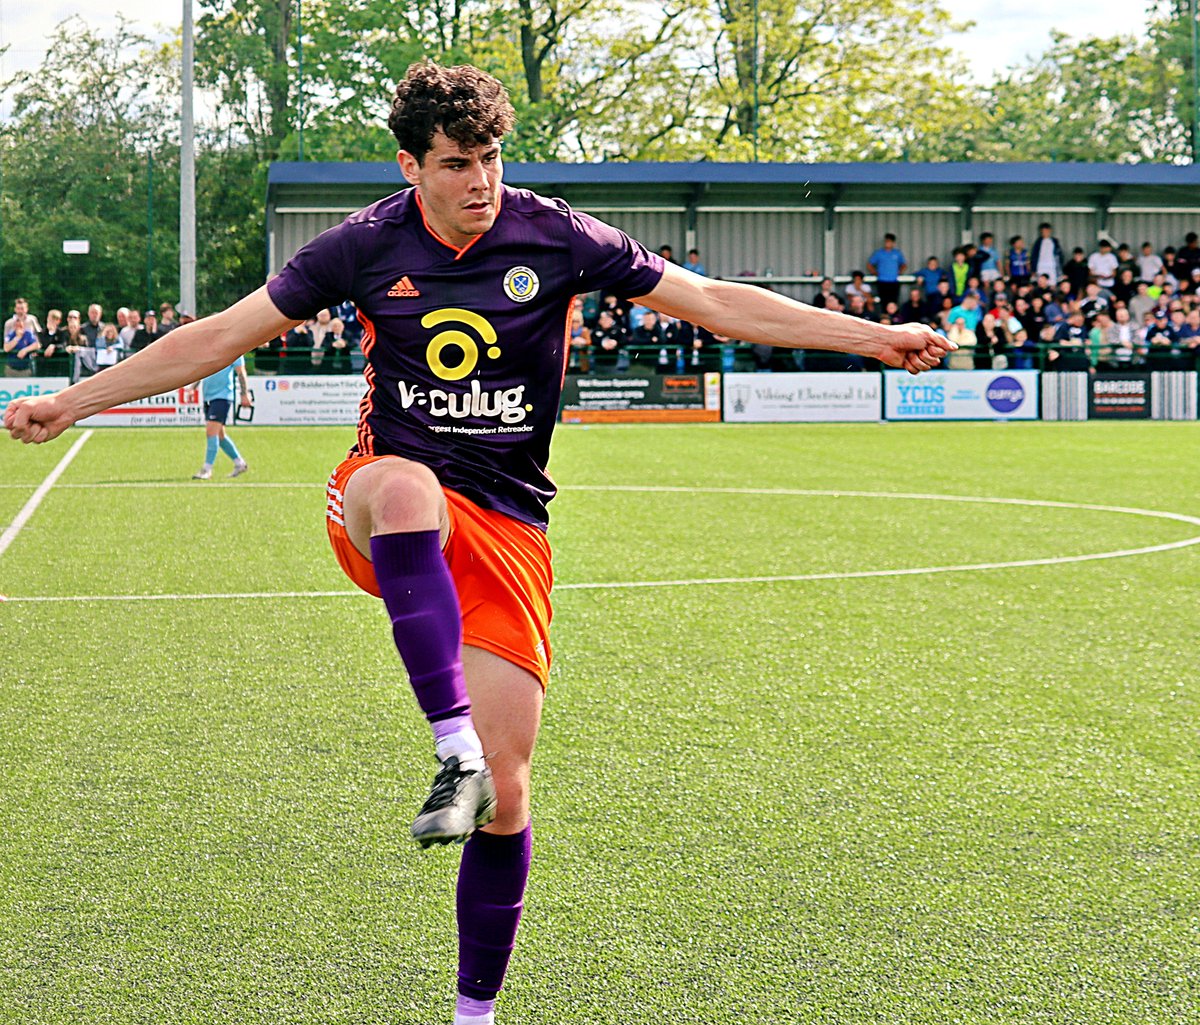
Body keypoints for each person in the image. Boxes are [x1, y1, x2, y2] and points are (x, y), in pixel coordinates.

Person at [4, 60, 950, 1025]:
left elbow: (710, 299)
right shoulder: (363, 245)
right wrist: (71, 401)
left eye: (490, 157)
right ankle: (447, 744)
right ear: (411, 166)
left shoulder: (557, 232)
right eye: (456, 163)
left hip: (509, 523)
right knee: (409, 486)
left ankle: (475, 1012)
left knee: (509, 794)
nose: (479, 181)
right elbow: (217, 337)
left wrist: (873, 339)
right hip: (384, 501)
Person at [192, 354, 251, 480]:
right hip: (208, 397)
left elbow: (241, 372)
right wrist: (193, 388)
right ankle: (239, 463)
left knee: (211, 432)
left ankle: (207, 469)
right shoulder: (210, 349)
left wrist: (244, 394)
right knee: (220, 435)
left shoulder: (235, 351)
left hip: (222, 397)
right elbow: (202, 372)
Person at [866, 233, 906, 307]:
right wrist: (874, 273)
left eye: (890, 241)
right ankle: (884, 317)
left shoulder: (897, 253)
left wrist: (899, 272)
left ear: (893, 243)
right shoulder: (879, 253)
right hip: (882, 281)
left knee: (894, 302)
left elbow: (904, 264)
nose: (887, 243)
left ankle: (893, 318)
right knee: (883, 302)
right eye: (886, 241)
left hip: (893, 281)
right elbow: (869, 264)